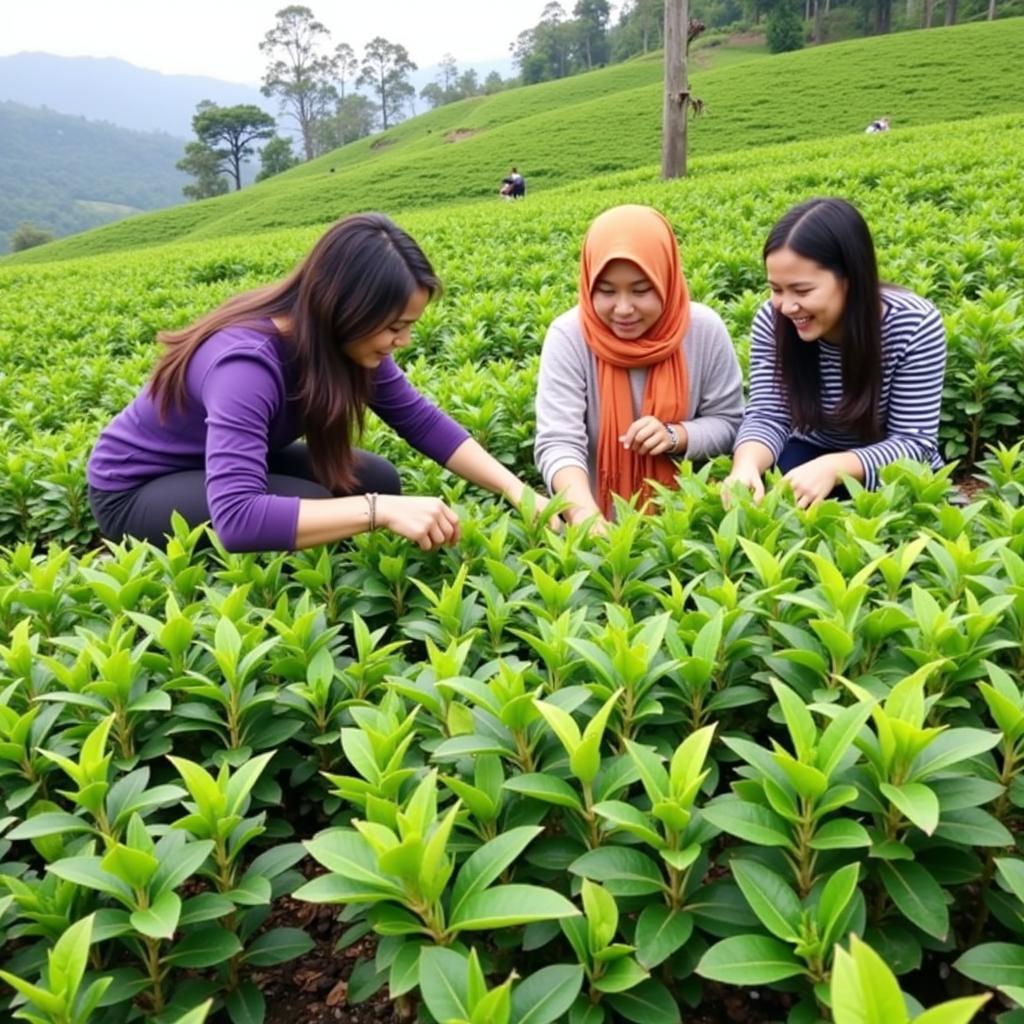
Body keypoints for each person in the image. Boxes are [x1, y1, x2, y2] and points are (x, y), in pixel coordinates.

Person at [87, 212, 548, 553]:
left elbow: (420, 421)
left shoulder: (343, 342)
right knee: (325, 504)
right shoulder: (245, 364)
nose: (403, 341)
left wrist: (521, 493)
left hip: (212, 465)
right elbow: (238, 519)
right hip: (137, 490)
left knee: (377, 479)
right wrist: (379, 512)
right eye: (394, 326)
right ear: (347, 308)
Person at [724, 196, 946, 508]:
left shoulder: (913, 323)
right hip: (809, 452)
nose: (786, 306)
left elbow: (914, 443)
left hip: (887, 460)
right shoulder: (772, 320)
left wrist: (836, 467)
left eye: (802, 291)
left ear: (851, 280)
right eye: (776, 289)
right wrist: (745, 465)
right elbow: (768, 414)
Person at [534, 204, 744, 527]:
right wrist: (584, 517)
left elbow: (730, 424)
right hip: (598, 525)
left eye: (641, 290)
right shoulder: (570, 337)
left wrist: (676, 435)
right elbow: (559, 442)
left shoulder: (703, 330)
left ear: (666, 278)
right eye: (605, 291)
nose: (623, 308)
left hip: (685, 528)